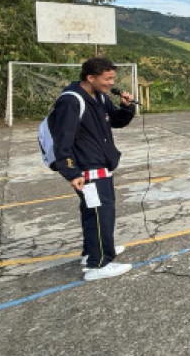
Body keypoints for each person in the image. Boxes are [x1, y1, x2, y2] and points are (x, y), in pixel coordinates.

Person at [48, 57, 135, 281]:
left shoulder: (99, 97)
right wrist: (71, 172)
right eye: (107, 79)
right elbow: (62, 140)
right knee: (101, 213)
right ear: (90, 77)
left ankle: (91, 253)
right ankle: (98, 265)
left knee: (92, 212)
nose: (111, 83)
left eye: (112, 78)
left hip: (99, 164)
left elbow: (115, 120)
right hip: (87, 169)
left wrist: (127, 107)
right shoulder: (71, 101)